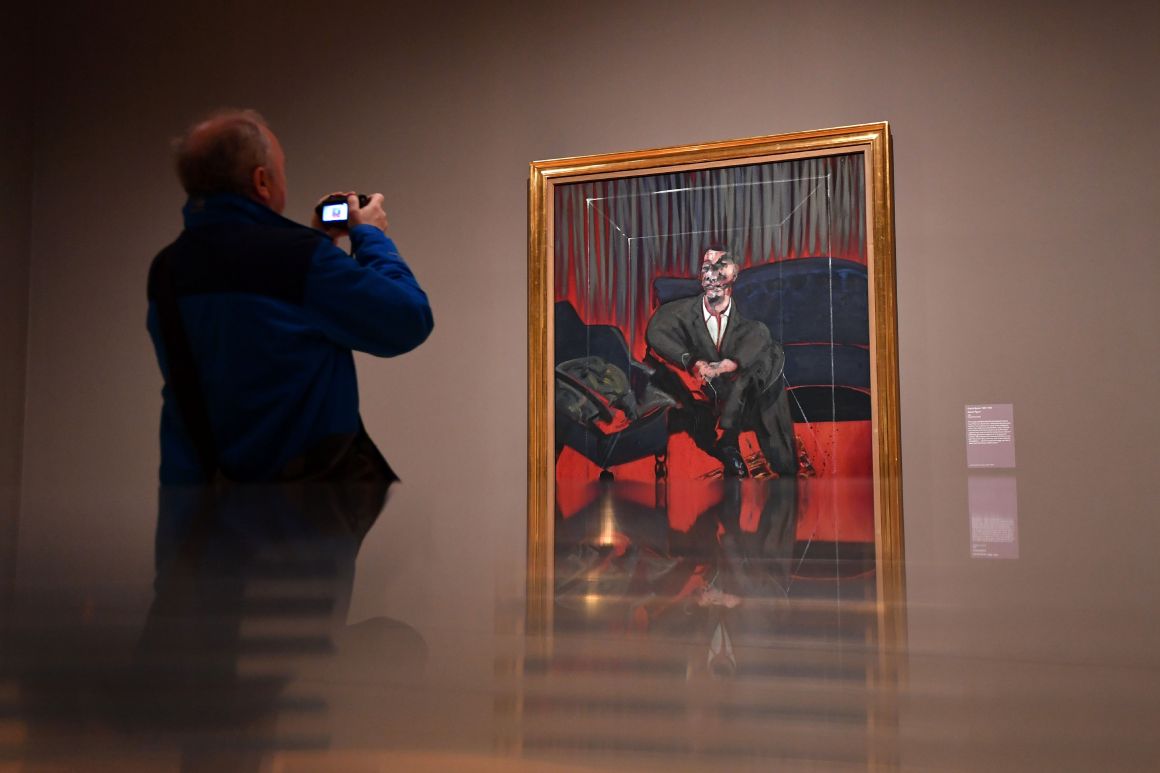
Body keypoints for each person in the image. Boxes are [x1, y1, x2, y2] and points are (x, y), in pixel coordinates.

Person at [146, 109, 433, 487]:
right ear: (262, 181)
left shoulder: (168, 266)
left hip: (194, 514)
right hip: (288, 521)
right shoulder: (297, 261)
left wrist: (320, 246)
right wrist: (371, 237)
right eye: (282, 168)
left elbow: (255, 349)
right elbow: (408, 319)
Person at [645, 246, 795, 477]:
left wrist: (728, 365)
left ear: (734, 274)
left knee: (769, 352)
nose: (711, 273)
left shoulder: (749, 324)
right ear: (700, 277)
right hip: (700, 397)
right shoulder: (677, 312)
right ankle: (731, 441)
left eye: (720, 266)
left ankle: (776, 465)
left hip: (742, 394)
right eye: (706, 267)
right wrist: (692, 362)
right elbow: (655, 332)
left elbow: (762, 337)